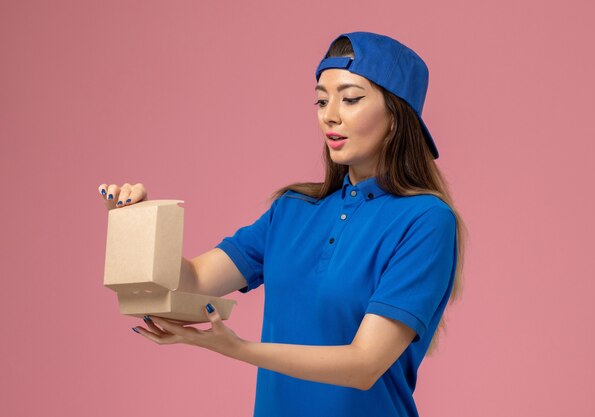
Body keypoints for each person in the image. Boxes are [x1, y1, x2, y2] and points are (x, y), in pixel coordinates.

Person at [98, 31, 467, 417]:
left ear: (396, 116)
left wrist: (237, 349)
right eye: (321, 100)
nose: (330, 115)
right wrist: (136, 225)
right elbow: (192, 282)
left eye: (351, 99)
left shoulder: (426, 220)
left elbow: (364, 365)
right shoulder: (292, 210)